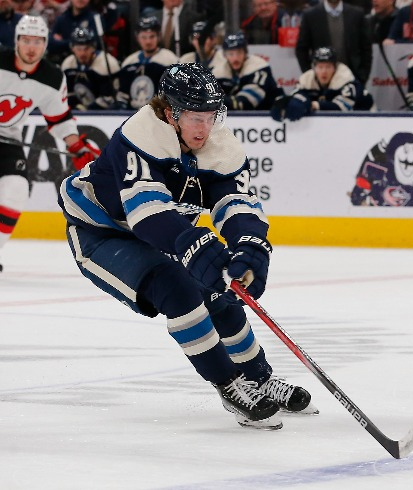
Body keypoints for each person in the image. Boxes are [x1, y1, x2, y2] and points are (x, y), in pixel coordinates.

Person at [58, 62, 318, 429]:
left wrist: (251, 245)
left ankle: (259, 379)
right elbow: (146, 211)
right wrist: (191, 241)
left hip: (165, 230)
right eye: (195, 117)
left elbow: (236, 202)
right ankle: (229, 384)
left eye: (211, 116)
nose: (205, 128)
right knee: (177, 290)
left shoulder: (219, 144)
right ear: (169, 113)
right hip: (101, 233)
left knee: (221, 295)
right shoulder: (139, 135)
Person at [0, 15, 100, 272]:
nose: (31, 47)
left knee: (17, 188)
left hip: (8, 139)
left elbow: (60, 119)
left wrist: (76, 146)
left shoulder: (52, 78)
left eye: (37, 41)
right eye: (26, 40)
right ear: (16, 41)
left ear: (45, 44)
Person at [271, 46, 374, 121]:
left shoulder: (347, 80)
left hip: (370, 119)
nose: (324, 71)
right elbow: (296, 97)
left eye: (328, 67)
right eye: (320, 67)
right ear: (314, 68)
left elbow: (342, 108)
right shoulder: (307, 79)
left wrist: (314, 105)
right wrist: (286, 103)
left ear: (335, 67)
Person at [294, 0, 372, 84]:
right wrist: (311, 76)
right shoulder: (310, 15)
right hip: (321, 84)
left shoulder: (357, 14)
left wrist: (362, 77)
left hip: (353, 79)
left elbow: (366, 48)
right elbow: (301, 49)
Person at [115, 16, 179, 110]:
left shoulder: (170, 60)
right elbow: (122, 95)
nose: (148, 41)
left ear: (158, 36)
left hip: (159, 113)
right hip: (132, 114)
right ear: (137, 38)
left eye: (152, 36)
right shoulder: (129, 62)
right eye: (144, 37)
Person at [212, 32, 282, 111]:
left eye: (239, 53)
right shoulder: (218, 71)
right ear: (225, 56)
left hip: (268, 116)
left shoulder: (258, 68)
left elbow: (245, 103)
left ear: (245, 53)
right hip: (242, 118)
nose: (235, 58)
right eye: (231, 54)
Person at [61, 26, 120, 110]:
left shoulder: (108, 63)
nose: (82, 53)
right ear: (72, 48)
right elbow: (68, 94)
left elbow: (109, 98)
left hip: (105, 112)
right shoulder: (68, 64)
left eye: (86, 49)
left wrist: (87, 110)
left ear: (93, 47)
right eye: (78, 49)